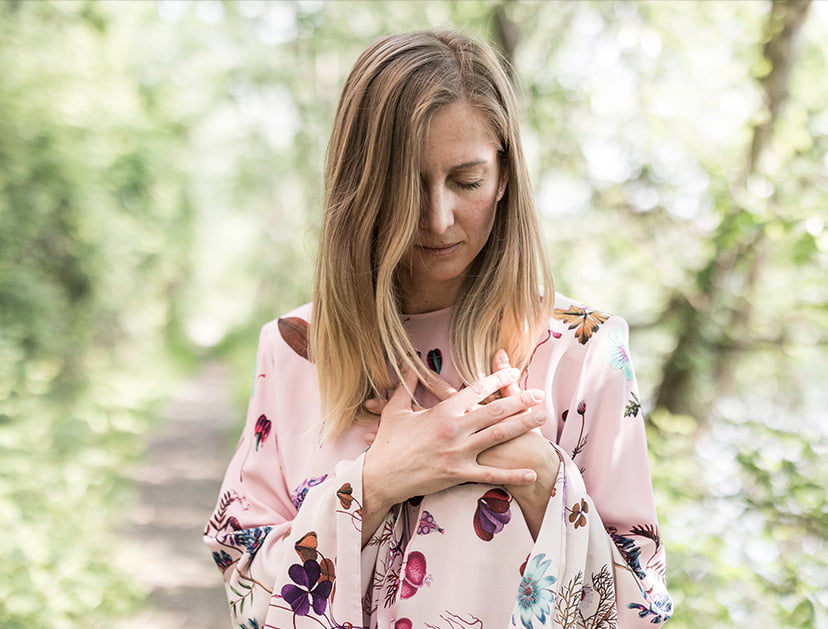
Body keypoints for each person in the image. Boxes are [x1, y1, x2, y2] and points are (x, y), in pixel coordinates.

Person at [204, 29, 673, 629]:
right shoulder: (300, 348)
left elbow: (642, 607)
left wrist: (542, 479)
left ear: (504, 177)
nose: (437, 218)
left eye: (467, 181)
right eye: (404, 185)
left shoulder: (582, 353)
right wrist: (371, 487)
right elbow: (242, 575)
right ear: (361, 185)